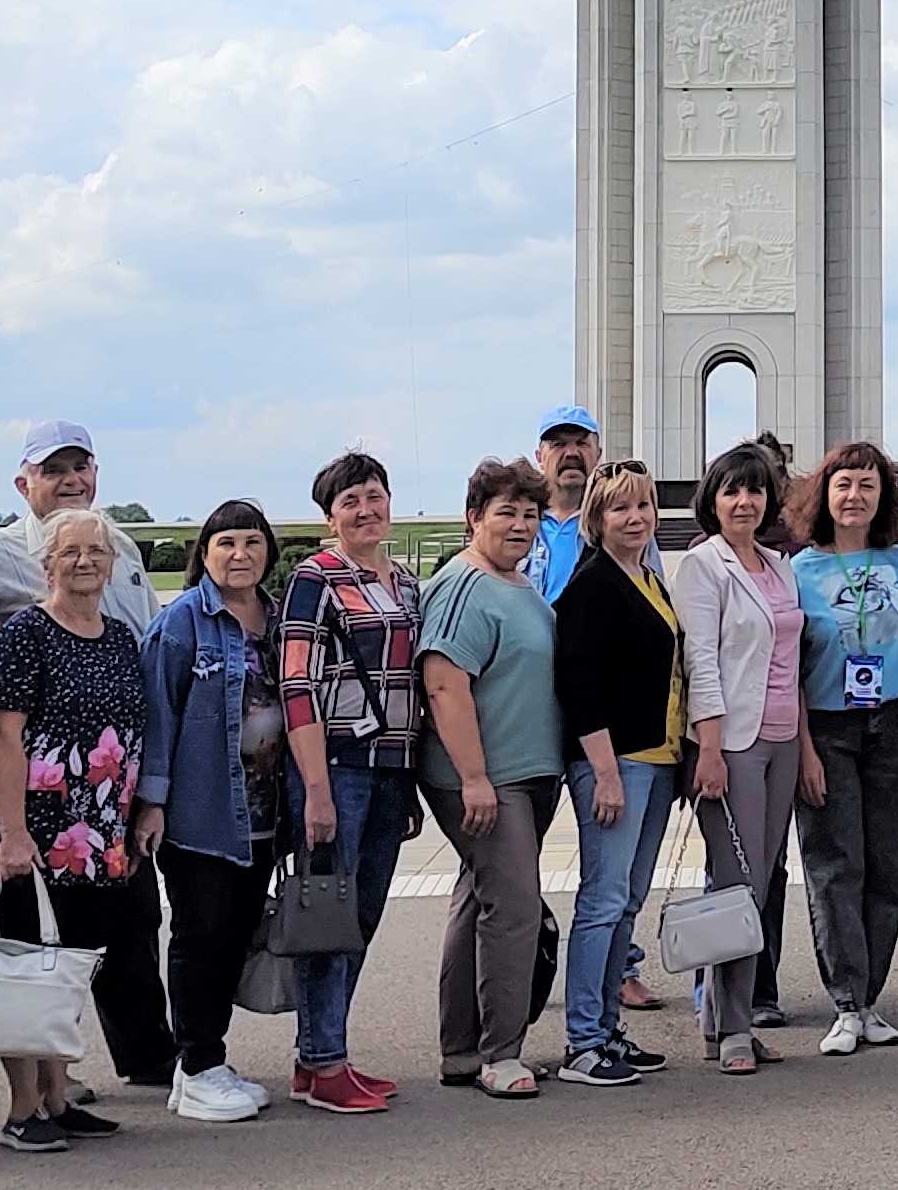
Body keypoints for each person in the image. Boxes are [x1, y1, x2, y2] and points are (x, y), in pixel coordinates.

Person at [0, 507, 158, 1151]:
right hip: (38, 832)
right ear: (45, 563)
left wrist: (139, 814)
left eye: (96, 551)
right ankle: (23, 1107)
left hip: (100, 835)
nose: (85, 561)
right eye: (70, 551)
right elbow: (6, 734)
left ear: (113, 563)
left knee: (68, 969)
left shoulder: (117, 637)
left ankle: (57, 1098)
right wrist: (12, 830)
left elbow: (131, 734)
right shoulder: (27, 633)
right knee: (27, 967)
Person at [276, 450, 424, 1114]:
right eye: (349, 502)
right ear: (330, 516)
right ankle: (322, 1059)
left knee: (360, 915)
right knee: (326, 916)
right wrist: (313, 788)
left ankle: (324, 1053)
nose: (365, 511)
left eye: (373, 496)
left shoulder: (408, 582)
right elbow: (296, 685)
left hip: (393, 768)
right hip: (335, 766)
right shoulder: (317, 578)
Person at [418, 460, 570, 1098]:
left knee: (476, 899)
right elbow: (445, 683)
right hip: (485, 779)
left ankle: (463, 1050)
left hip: (526, 773)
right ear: (474, 517)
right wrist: (474, 777)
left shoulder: (519, 585)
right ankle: (501, 1054)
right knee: (513, 909)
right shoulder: (464, 587)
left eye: (530, 515)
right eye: (506, 512)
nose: (520, 525)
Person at [138, 498, 284, 1125]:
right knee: (201, 937)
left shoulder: (279, 621)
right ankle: (197, 1063)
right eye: (226, 543)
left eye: (252, 542)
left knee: (234, 939)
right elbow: (156, 714)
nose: (240, 555)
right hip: (202, 814)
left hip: (266, 812)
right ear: (205, 552)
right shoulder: (181, 623)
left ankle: (206, 1061)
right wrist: (152, 803)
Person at [671, 438, 807, 1075]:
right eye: (731, 490)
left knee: (763, 877)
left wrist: (804, 748)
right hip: (733, 744)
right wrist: (713, 748)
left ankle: (719, 1017)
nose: (744, 501)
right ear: (712, 500)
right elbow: (700, 661)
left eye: (754, 489)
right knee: (739, 884)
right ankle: (733, 1027)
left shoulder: (780, 565)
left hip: (781, 738)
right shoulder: (703, 566)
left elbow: (791, 663)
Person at [792, 440, 898, 1055]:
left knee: (886, 865)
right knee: (834, 865)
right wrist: (804, 751)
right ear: (825, 494)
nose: (855, 496)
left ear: (884, 497)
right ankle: (846, 1002)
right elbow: (786, 669)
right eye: (844, 484)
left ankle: (871, 997)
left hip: (896, 726)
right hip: (828, 726)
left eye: (868, 485)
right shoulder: (797, 572)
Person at [550, 461, 682, 1087]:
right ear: (597, 519)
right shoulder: (592, 586)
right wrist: (602, 770)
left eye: (644, 507)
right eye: (620, 509)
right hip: (615, 762)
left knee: (627, 900)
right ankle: (581, 1040)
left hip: (657, 759)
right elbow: (579, 683)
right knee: (602, 901)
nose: (635, 519)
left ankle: (606, 1030)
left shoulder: (649, 578)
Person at [0, 419, 164, 645]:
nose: (71, 479)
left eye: (80, 467)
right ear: (23, 486)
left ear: (95, 473)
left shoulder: (121, 546)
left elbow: (157, 632)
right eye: (53, 471)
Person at [522, 406, 603, 600]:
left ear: (598, 455)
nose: (572, 453)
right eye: (558, 444)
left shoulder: (617, 523)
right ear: (539, 457)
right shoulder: (519, 524)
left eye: (582, 443)